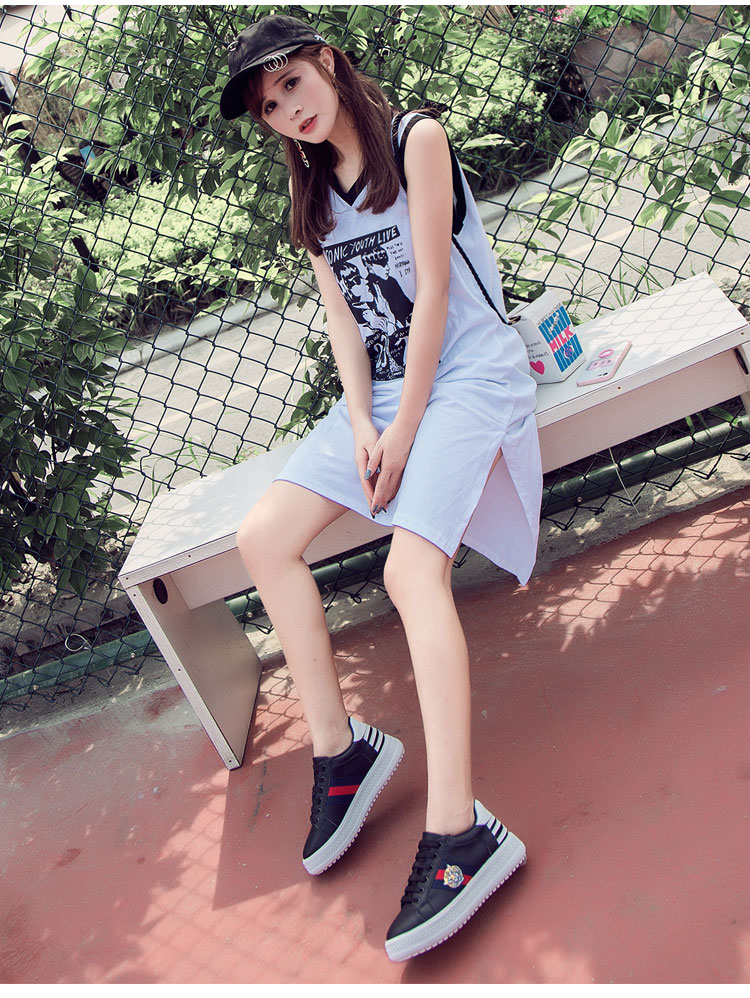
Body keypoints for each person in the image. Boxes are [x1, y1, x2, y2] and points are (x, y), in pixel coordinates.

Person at [219, 14, 542, 962]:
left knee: (410, 572)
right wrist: (365, 423)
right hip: (388, 395)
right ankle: (342, 750)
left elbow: (433, 291)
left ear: (326, 60)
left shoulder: (415, 141)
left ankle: (461, 830)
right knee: (262, 538)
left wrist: (404, 431)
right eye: (269, 107)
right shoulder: (313, 192)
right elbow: (346, 324)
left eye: (291, 85)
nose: (288, 112)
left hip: (471, 375)